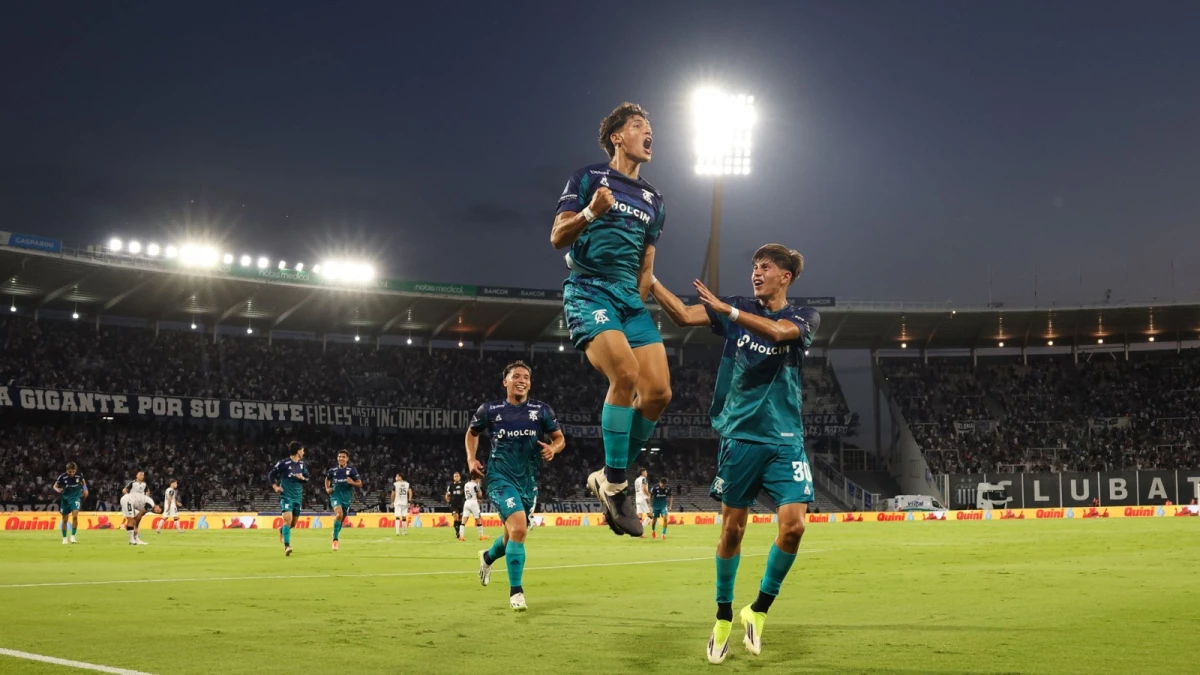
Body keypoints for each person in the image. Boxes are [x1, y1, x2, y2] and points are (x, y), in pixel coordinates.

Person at [651, 244, 820, 664]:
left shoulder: (804, 316)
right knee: (733, 532)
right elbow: (682, 315)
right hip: (741, 437)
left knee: (795, 526)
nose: (756, 273)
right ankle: (724, 616)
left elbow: (780, 333)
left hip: (785, 439)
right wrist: (650, 280)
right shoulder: (738, 307)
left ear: (787, 277)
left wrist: (728, 313)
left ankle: (758, 609)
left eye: (765, 267)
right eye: (754, 267)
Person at [550, 102, 670, 537]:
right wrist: (590, 213)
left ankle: (606, 473)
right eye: (639, 125)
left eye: (649, 126)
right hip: (588, 288)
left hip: (628, 300)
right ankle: (617, 483)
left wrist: (639, 301)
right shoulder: (588, 178)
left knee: (658, 393)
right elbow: (556, 236)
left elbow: (647, 265)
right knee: (625, 373)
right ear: (618, 137)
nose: (648, 131)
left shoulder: (655, 199)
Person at [467, 360, 565, 611]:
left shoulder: (541, 411)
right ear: (505, 381)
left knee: (512, 535)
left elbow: (559, 438)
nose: (522, 380)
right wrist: (471, 458)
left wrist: (553, 449)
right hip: (500, 478)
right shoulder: (490, 409)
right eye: (516, 376)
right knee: (520, 529)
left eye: (526, 377)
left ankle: (487, 557)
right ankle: (516, 592)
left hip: (528, 482)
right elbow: (472, 433)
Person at [269, 441, 310, 556]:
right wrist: (276, 486)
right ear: (298, 451)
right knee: (287, 521)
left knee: (292, 524)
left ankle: (282, 530)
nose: (303, 452)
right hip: (286, 496)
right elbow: (271, 475)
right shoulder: (283, 463)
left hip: (298, 497)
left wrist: (302, 478)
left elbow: (307, 479)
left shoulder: (302, 465)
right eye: (302, 450)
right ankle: (287, 546)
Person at [325, 450, 362, 551]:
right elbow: (327, 479)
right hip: (335, 495)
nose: (341, 458)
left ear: (347, 459)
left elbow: (360, 483)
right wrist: (327, 488)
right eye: (339, 456)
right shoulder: (332, 470)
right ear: (337, 458)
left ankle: (335, 532)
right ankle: (335, 541)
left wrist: (352, 482)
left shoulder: (352, 470)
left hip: (347, 497)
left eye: (343, 457)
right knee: (339, 514)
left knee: (341, 518)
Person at [53, 462, 88, 545]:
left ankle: (73, 537)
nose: (72, 473)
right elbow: (55, 486)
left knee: (75, 516)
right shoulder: (62, 477)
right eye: (70, 471)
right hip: (65, 500)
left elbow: (83, 482)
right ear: (67, 470)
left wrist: (85, 489)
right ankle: (64, 538)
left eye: (73, 471)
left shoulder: (79, 475)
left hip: (75, 498)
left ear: (75, 470)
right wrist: (57, 490)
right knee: (65, 520)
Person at [445, 472, 466, 541]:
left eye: (457, 476)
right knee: (456, 517)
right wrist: (448, 501)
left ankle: (459, 532)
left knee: (460, 519)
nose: (456, 477)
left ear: (460, 477)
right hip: (454, 504)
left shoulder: (463, 485)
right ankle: (457, 533)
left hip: (461, 504)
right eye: (455, 476)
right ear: (453, 477)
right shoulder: (451, 485)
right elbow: (447, 494)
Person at [635, 468, 651, 533]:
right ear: (643, 472)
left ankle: (639, 533)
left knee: (639, 517)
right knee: (650, 516)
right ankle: (640, 529)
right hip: (643, 498)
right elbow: (643, 488)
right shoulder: (644, 479)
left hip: (637, 499)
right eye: (646, 472)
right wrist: (648, 495)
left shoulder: (636, 480)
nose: (647, 473)